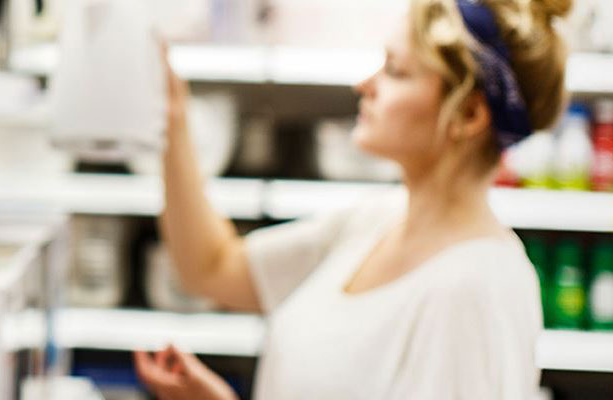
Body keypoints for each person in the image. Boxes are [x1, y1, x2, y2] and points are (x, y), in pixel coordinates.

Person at [133, 0, 572, 398]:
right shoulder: (375, 223)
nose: (365, 84)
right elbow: (211, 268)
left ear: (470, 114)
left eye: (395, 71)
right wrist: (173, 117)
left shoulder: (477, 289)